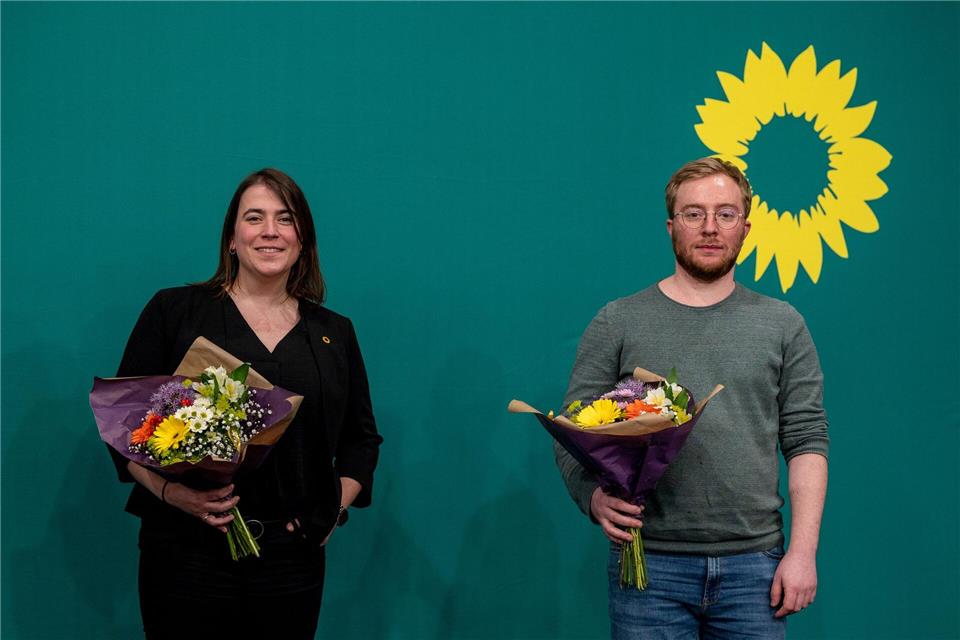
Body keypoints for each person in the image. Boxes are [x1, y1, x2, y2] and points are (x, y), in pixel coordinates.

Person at [555, 158, 828, 639]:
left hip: (756, 570)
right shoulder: (618, 321)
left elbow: (806, 441)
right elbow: (571, 432)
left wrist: (802, 553)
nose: (709, 228)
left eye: (725, 214)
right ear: (670, 226)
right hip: (649, 568)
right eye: (693, 213)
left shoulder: (783, 324)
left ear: (745, 226)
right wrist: (593, 498)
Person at [108, 168, 383, 639]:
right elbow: (122, 424)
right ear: (232, 238)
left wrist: (327, 513)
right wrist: (175, 494)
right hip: (184, 551)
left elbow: (361, 441)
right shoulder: (176, 311)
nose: (270, 231)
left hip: (291, 559)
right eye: (254, 218)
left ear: (303, 240)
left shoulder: (334, 332)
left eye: (285, 219)